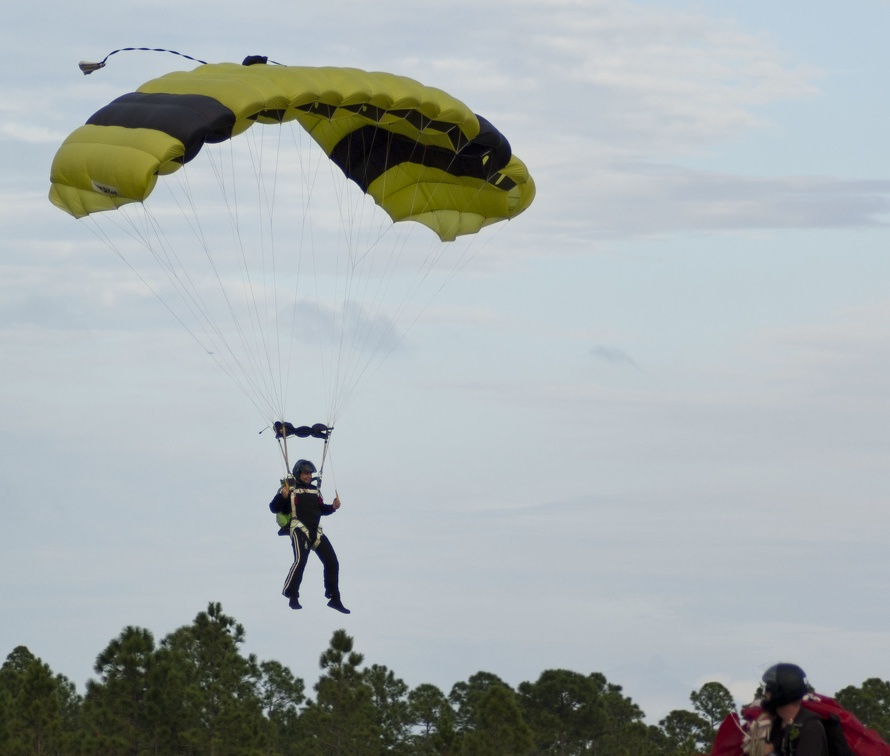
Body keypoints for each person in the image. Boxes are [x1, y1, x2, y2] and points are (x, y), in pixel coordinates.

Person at [269, 459, 350, 614]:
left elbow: (321, 509)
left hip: (315, 531)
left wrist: (332, 507)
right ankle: (292, 594)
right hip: (299, 529)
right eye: (306, 473)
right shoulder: (289, 489)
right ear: (299, 473)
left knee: (332, 562)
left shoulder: (315, 490)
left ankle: (334, 598)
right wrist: (282, 496)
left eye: (310, 473)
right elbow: (273, 508)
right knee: (301, 560)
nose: (309, 476)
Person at [760, 663, 828, 756]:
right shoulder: (776, 725)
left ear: (781, 692)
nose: (765, 693)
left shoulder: (810, 728)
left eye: (769, 688)